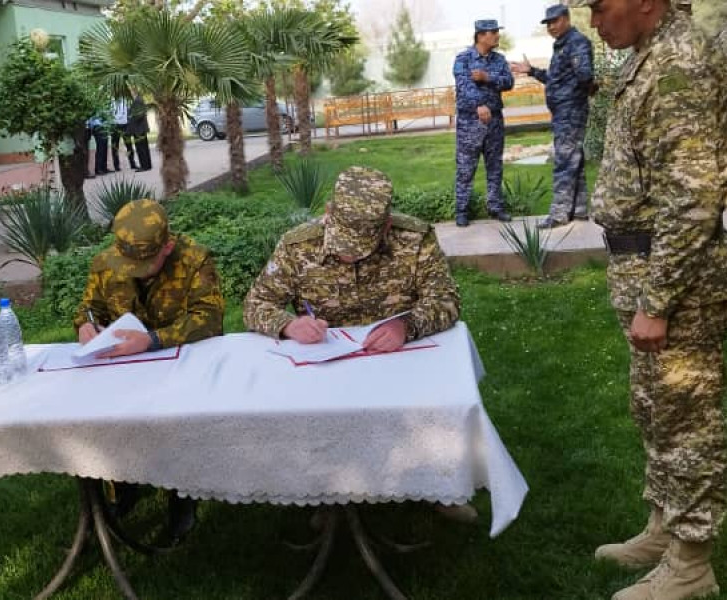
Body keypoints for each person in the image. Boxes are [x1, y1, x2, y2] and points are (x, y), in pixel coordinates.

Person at [570, 1, 727, 599]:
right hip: (645, 263)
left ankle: (692, 562)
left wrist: (657, 302)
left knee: (686, 416)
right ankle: (665, 526)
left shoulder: (678, 61)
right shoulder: (648, 56)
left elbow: (693, 198)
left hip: (676, 276)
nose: (595, 21)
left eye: (601, 6)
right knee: (655, 407)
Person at [243, 167, 476, 522]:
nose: (349, 256)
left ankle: (439, 487)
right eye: (342, 245)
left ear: (385, 227)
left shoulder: (415, 239)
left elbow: (446, 299)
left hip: (400, 361)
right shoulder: (297, 246)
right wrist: (288, 324)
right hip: (328, 365)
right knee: (319, 418)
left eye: (360, 248)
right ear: (328, 211)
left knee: (435, 409)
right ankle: (329, 496)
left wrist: (407, 326)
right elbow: (255, 304)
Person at [74, 198, 224, 541]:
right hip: (124, 369)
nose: (132, 272)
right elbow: (89, 308)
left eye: (143, 265)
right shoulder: (105, 262)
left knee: (176, 424)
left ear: (167, 246)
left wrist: (154, 339)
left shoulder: (194, 259)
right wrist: (85, 325)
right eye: (128, 264)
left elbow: (209, 319)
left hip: (183, 365)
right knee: (110, 422)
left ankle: (181, 499)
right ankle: (123, 486)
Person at [510, 5, 594, 229]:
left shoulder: (576, 43)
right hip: (564, 112)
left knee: (564, 161)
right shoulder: (562, 46)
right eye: (548, 24)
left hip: (571, 112)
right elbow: (556, 79)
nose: (551, 27)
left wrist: (579, 93)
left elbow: (585, 75)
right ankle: (579, 210)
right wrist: (531, 71)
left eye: (555, 21)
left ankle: (559, 214)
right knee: (573, 159)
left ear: (566, 19)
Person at [453, 19, 514, 228]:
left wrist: (487, 77)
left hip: (495, 122)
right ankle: (461, 210)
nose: (497, 35)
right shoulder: (463, 58)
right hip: (470, 122)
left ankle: (495, 207)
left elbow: (509, 82)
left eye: (497, 31)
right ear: (481, 36)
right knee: (465, 168)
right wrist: (479, 104)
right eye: (493, 32)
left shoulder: (499, 59)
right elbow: (463, 85)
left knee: (495, 166)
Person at [125, 89, 152, 172]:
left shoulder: (138, 100)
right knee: (144, 147)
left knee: (141, 148)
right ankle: (147, 165)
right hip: (140, 128)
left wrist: (130, 116)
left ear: (134, 92)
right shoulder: (138, 100)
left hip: (139, 129)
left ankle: (144, 166)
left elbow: (139, 114)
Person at [111, 97, 137, 171]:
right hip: (115, 126)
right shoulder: (111, 101)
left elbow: (129, 111)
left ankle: (132, 163)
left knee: (129, 145)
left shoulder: (125, 100)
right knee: (115, 147)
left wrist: (129, 121)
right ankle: (116, 166)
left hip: (125, 126)